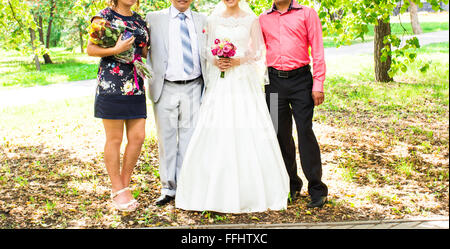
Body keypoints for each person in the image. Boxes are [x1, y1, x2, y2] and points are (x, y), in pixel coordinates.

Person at [175, 0, 290, 213]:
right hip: (221, 80)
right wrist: (216, 59)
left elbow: (257, 52)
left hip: (242, 79)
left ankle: (253, 190)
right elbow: (206, 50)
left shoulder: (252, 20)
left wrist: (237, 61)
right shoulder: (212, 19)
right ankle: (211, 190)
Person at [259, 0, 328, 208]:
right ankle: (291, 184)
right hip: (273, 83)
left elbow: (317, 50)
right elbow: (255, 53)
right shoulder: (262, 19)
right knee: (279, 134)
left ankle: (317, 188)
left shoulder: (307, 14)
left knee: (305, 131)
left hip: (301, 82)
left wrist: (319, 83)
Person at [87, 0, 149, 212]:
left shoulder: (140, 21)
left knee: (138, 137)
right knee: (114, 139)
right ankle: (118, 188)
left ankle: (124, 184)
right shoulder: (103, 16)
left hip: (136, 84)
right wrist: (117, 48)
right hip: (111, 85)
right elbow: (90, 49)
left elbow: (144, 52)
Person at [145, 0, 207, 206]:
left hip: (194, 86)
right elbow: (142, 49)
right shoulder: (153, 19)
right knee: (167, 140)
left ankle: (185, 186)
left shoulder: (202, 20)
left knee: (190, 139)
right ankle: (168, 188)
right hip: (166, 86)